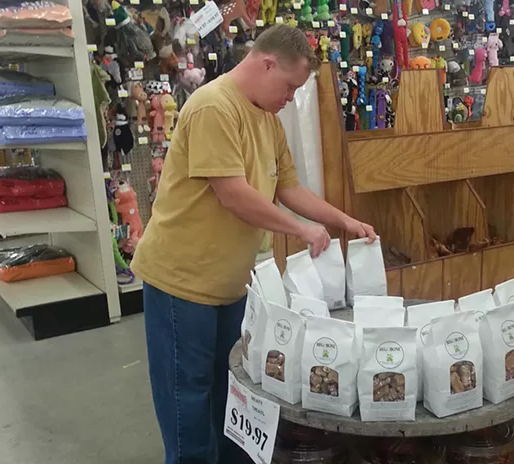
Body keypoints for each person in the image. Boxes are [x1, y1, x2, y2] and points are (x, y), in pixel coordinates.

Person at [130, 24, 376, 464]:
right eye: (289, 86)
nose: (290, 99)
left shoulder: (266, 116)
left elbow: (289, 187)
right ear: (266, 64)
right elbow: (234, 193)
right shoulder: (212, 107)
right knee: (188, 406)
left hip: (232, 287)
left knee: (236, 397)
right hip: (181, 285)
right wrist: (300, 230)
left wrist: (343, 221)